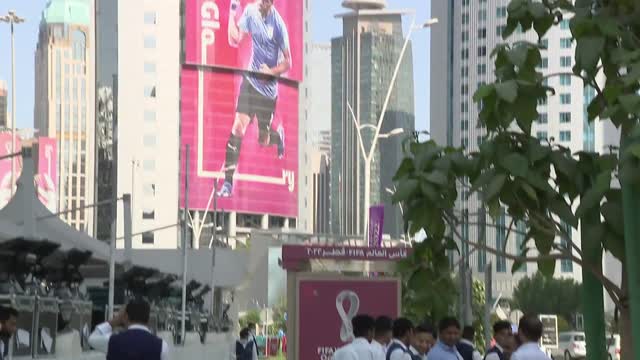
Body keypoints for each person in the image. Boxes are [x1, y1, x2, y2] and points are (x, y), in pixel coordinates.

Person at [219, 0, 292, 197]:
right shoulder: (251, 12)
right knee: (237, 128)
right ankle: (227, 184)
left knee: (263, 139)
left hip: (268, 92)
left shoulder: (279, 26)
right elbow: (234, 39)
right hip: (250, 83)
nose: (261, 3)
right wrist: (232, 11)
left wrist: (271, 70)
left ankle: (278, 137)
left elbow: (288, 62)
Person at [88, 299, 170, 360]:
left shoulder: (112, 341)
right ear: (148, 319)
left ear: (125, 317)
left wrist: (115, 320)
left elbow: (91, 339)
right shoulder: (162, 346)